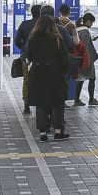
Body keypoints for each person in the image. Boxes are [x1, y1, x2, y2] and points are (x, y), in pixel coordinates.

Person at [23, 13, 71, 142]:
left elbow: (28, 57)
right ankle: (58, 131)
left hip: (38, 73)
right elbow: (65, 58)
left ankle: (43, 133)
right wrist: (65, 72)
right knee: (58, 103)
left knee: (41, 103)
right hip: (55, 73)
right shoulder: (57, 38)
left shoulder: (33, 39)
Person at [14, 4, 41, 114]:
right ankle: (40, 104)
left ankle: (26, 104)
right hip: (40, 58)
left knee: (26, 81)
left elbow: (16, 40)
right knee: (40, 80)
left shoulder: (24, 24)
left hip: (26, 57)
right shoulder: (43, 25)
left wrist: (23, 50)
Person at [75, 12, 98, 106]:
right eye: (92, 22)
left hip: (78, 58)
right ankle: (91, 99)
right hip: (86, 58)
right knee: (92, 78)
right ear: (89, 22)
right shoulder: (85, 31)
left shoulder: (77, 29)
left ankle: (76, 100)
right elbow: (85, 47)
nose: (92, 25)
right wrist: (88, 62)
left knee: (80, 79)